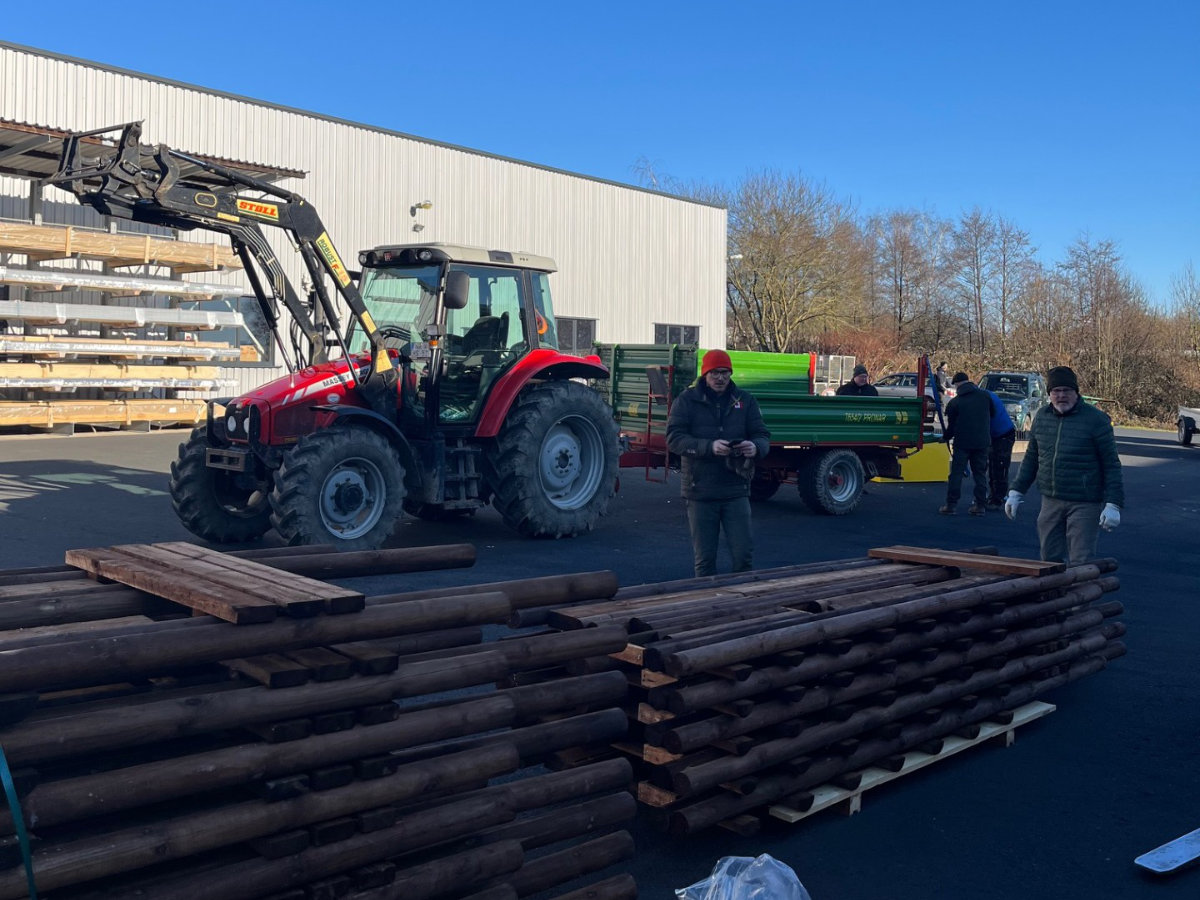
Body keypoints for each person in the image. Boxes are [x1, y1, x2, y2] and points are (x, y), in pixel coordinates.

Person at [666, 349, 771, 576]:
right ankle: (706, 598)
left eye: (725, 372)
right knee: (705, 561)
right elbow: (674, 439)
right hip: (700, 491)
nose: (720, 378)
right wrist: (709, 447)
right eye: (714, 373)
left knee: (743, 557)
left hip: (736, 489)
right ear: (705, 374)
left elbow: (762, 435)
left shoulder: (745, 400)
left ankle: (744, 597)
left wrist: (755, 447)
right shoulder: (686, 400)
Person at [1005, 366, 1123, 563]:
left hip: (1085, 501)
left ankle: (1081, 583)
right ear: (1049, 394)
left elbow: (1111, 464)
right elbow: (1032, 458)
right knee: (1048, 559)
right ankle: (1053, 584)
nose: (1061, 396)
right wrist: (1016, 492)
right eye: (1056, 391)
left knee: (1081, 561)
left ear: (1076, 392)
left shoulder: (1096, 420)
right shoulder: (1042, 417)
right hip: (1051, 500)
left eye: (1066, 390)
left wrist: (1113, 504)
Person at [940, 371, 991, 516]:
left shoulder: (955, 403)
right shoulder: (985, 396)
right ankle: (980, 505)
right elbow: (992, 414)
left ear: (957, 385)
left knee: (956, 474)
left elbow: (951, 426)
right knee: (980, 474)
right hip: (982, 441)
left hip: (962, 442)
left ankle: (951, 505)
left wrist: (945, 437)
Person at [982, 385, 1017, 509]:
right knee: (995, 465)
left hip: (1002, 434)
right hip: (999, 432)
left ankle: (997, 499)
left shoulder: (983, 400)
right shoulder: (986, 395)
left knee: (999, 465)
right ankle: (994, 496)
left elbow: (984, 420)